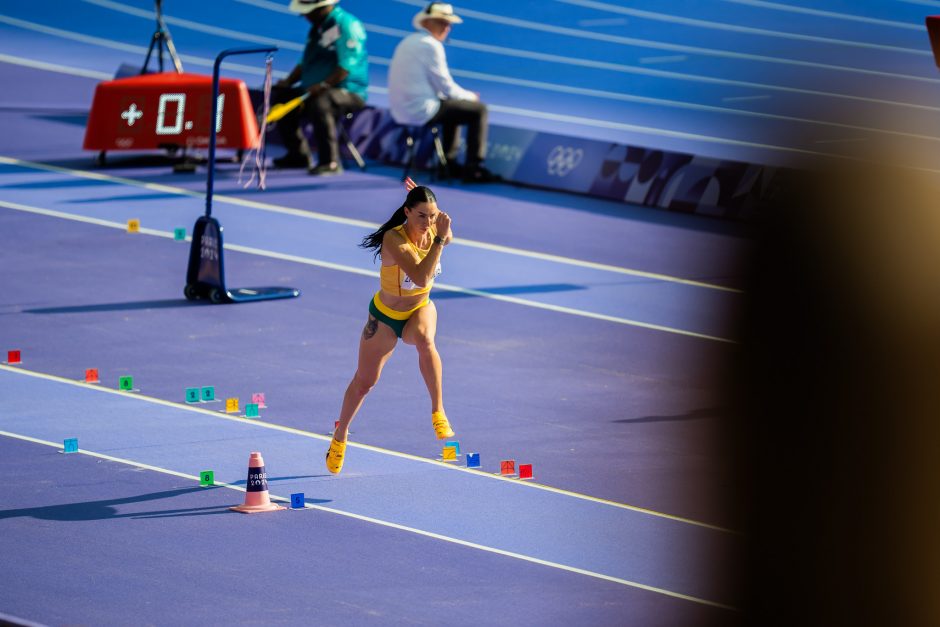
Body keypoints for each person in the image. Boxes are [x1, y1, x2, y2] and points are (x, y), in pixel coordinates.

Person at [325, 178, 454, 474]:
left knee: (425, 339)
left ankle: (438, 410)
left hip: (419, 309)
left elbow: (446, 236)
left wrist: (434, 218)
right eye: (421, 215)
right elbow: (421, 276)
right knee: (365, 382)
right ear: (406, 212)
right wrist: (438, 237)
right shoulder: (395, 240)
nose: (428, 222)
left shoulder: (434, 226)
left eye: (432, 216)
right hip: (385, 317)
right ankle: (340, 435)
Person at [387, 3, 499, 183]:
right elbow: (446, 86)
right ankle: (474, 169)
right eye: (441, 22)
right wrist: (471, 97)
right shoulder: (430, 45)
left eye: (448, 24)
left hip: (401, 110)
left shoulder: (408, 41)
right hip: (420, 110)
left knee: (451, 107)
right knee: (479, 109)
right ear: (427, 23)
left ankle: (448, 164)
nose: (447, 28)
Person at [272, 0, 368, 176]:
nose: (304, 16)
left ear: (322, 8)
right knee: (283, 97)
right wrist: (287, 82)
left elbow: (347, 66)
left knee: (322, 102)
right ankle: (298, 155)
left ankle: (330, 162)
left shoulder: (346, 25)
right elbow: (305, 62)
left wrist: (324, 85)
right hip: (315, 89)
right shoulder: (318, 26)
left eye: (308, 12)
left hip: (349, 91)